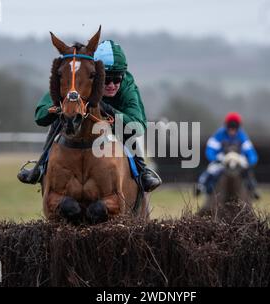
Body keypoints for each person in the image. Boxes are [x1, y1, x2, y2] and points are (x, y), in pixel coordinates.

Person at [17, 40, 162, 192]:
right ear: (96, 75)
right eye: (106, 79)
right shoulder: (78, 79)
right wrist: (61, 108)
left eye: (117, 78)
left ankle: (142, 170)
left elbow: (137, 126)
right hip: (80, 124)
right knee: (61, 118)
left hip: (116, 124)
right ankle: (40, 167)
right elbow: (40, 116)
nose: (112, 85)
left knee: (126, 129)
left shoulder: (128, 86)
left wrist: (109, 110)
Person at [195, 112, 260, 199]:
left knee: (247, 172)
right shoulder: (219, 134)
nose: (232, 131)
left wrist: (251, 161)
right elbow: (210, 149)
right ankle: (201, 186)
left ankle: (253, 190)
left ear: (238, 127)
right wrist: (214, 158)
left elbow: (250, 152)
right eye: (230, 128)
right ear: (227, 126)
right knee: (211, 169)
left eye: (234, 128)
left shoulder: (242, 135)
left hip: (238, 161)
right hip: (222, 160)